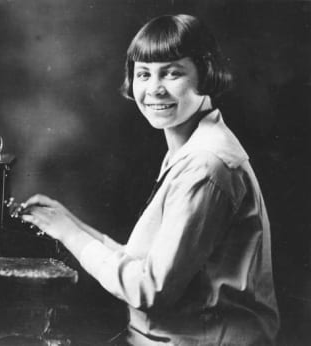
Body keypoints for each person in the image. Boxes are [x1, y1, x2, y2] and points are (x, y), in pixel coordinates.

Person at [20, 14, 280, 345]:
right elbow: (142, 262)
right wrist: (69, 222)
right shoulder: (191, 147)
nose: (154, 89)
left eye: (172, 73)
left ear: (207, 73)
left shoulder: (205, 163)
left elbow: (148, 288)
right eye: (143, 74)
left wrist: (69, 234)